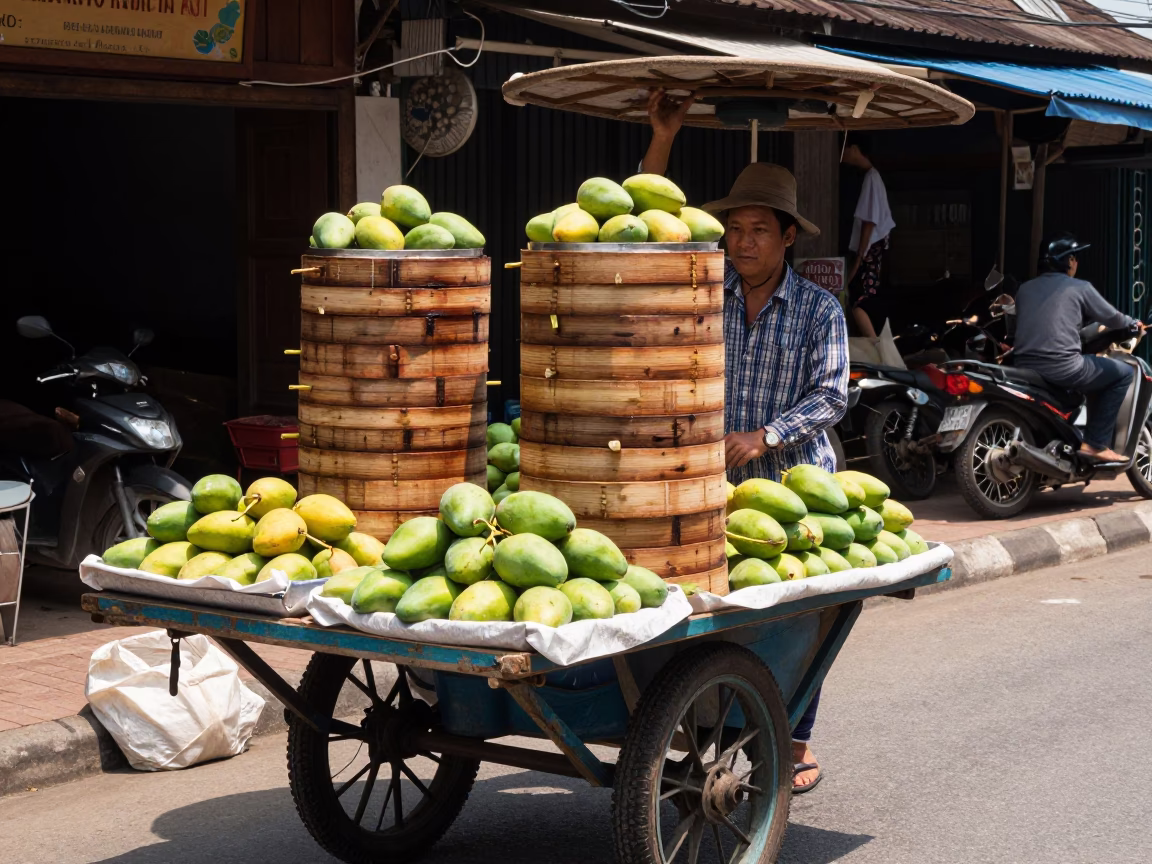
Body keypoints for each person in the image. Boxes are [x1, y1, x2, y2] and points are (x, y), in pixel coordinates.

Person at [642, 88, 850, 795]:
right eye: (736, 229)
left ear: (788, 236)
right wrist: (662, 138)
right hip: (709, 486)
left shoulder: (820, 310)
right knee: (707, 623)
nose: (743, 241)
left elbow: (832, 395)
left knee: (799, 622)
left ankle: (792, 740)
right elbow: (648, 223)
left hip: (794, 490)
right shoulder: (706, 292)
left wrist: (764, 437)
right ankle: (704, 723)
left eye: (759, 230)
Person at [1013, 233, 1145, 463]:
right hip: (1063, 367)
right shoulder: (1080, 287)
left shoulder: (1024, 289)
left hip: (1024, 367)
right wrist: (1132, 323)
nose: (1076, 262)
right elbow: (1112, 317)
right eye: (1074, 257)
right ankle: (1095, 444)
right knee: (1123, 374)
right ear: (1067, 261)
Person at [842, 135, 895, 340]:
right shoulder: (872, 177)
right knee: (861, 299)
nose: (843, 154)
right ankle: (874, 343)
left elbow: (869, 221)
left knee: (860, 301)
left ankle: (874, 344)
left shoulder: (872, 177)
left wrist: (860, 256)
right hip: (873, 250)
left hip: (871, 250)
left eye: (845, 148)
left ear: (855, 148)